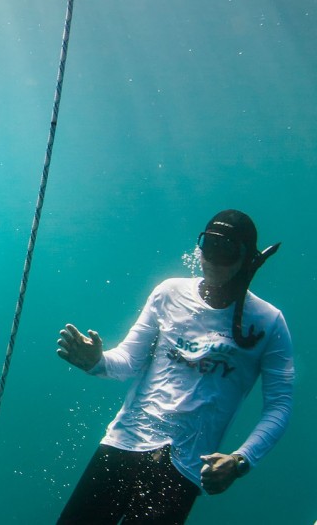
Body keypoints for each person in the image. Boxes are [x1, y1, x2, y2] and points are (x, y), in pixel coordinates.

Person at [55, 209, 294, 524]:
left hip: (184, 467)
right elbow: (127, 361)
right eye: (209, 245)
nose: (213, 259)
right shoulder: (168, 293)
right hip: (122, 444)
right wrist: (97, 362)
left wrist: (240, 461)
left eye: (227, 250)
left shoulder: (268, 322)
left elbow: (280, 405)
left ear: (247, 258)